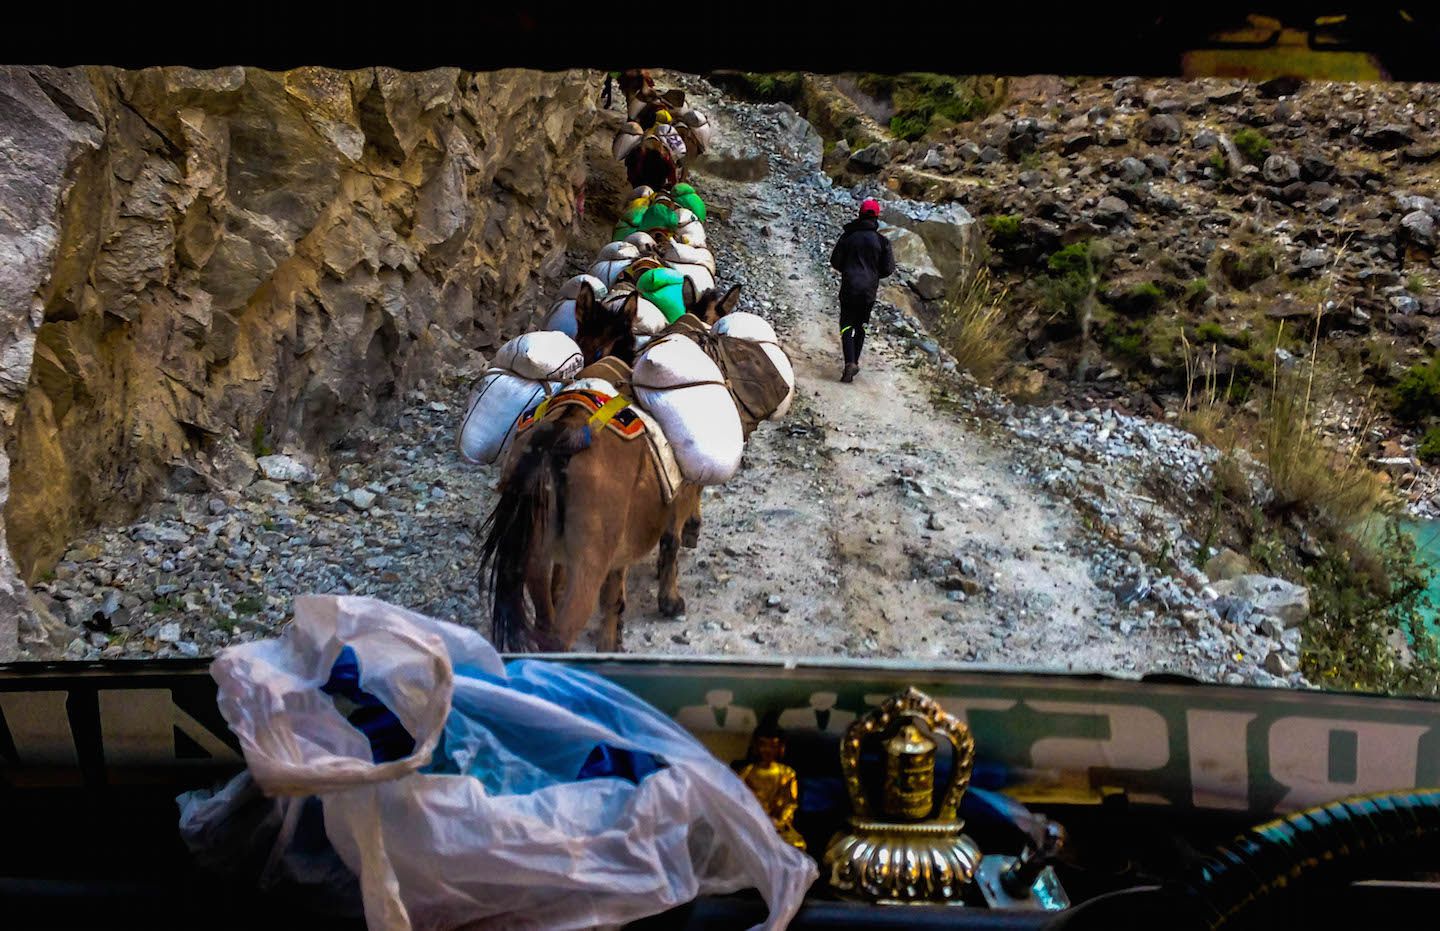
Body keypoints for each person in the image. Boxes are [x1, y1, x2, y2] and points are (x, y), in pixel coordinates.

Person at [829, 198, 895, 383]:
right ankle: (854, 361)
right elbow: (888, 268)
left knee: (846, 325)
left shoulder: (848, 237)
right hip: (868, 291)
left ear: (859, 214)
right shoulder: (882, 242)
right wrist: (874, 275)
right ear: (876, 217)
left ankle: (850, 362)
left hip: (850, 287)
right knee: (861, 326)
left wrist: (848, 270)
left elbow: (835, 261)